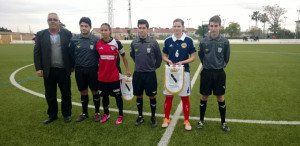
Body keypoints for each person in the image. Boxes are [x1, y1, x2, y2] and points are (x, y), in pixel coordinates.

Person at [34, 13, 73, 124]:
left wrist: (72, 65)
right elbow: (37, 53)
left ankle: (67, 114)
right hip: (48, 70)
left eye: (55, 19)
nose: (52, 21)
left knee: (66, 93)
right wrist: (38, 67)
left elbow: (71, 51)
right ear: (47, 21)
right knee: (50, 94)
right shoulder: (41, 35)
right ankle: (52, 115)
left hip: (63, 70)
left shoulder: (67, 33)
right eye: (50, 19)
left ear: (59, 21)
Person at [162, 18, 196, 131]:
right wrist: (168, 61)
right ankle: (166, 118)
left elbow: (193, 57)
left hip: (184, 72)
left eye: (178, 26)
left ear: (183, 27)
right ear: (172, 27)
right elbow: (164, 56)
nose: (176, 28)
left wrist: (183, 62)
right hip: (170, 73)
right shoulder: (167, 40)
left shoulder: (189, 40)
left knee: (185, 97)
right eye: (174, 26)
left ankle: (186, 120)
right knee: (169, 96)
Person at [198, 15, 231, 132]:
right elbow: (201, 56)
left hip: (219, 74)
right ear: (209, 26)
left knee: (220, 97)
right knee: (204, 96)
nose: (213, 28)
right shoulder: (203, 41)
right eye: (211, 26)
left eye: (216, 26)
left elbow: (226, 58)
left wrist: (218, 66)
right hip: (206, 73)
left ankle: (223, 122)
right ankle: (201, 120)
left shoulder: (225, 42)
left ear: (220, 27)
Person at [96, 23, 131, 125]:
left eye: (105, 30)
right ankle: (106, 114)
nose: (103, 32)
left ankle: (120, 115)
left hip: (115, 76)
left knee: (117, 96)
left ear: (110, 31)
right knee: (104, 96)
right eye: (101, 30)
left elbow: (124, 56)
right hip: (102, 76)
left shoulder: (117, 43)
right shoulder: (98, 44)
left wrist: (127, 70)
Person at [130, 19, 162, 128]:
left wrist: (153, 67)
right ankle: (140, 116)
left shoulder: (153, 42)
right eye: (140, 28)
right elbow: (133, 56)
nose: (142, 30)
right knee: (139, 95)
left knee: (152, 96)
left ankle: (153, 117)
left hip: (150, 74)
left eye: (144, 28)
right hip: (138, 74)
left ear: (147, 29)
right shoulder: (134, 42)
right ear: (137, 29)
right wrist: (139, 65)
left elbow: (159, 58)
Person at [69, 17, 101, 122]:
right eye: (82, 26)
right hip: (80, 70)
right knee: (83, 92)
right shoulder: (74, 40)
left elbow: (99, 55)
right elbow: (71, 55)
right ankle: (84, 113)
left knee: (95, 91)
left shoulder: (96, 40)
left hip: (93, 69)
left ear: (90, 27)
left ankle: (97, 112)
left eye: (86, 26)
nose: (83, 28)